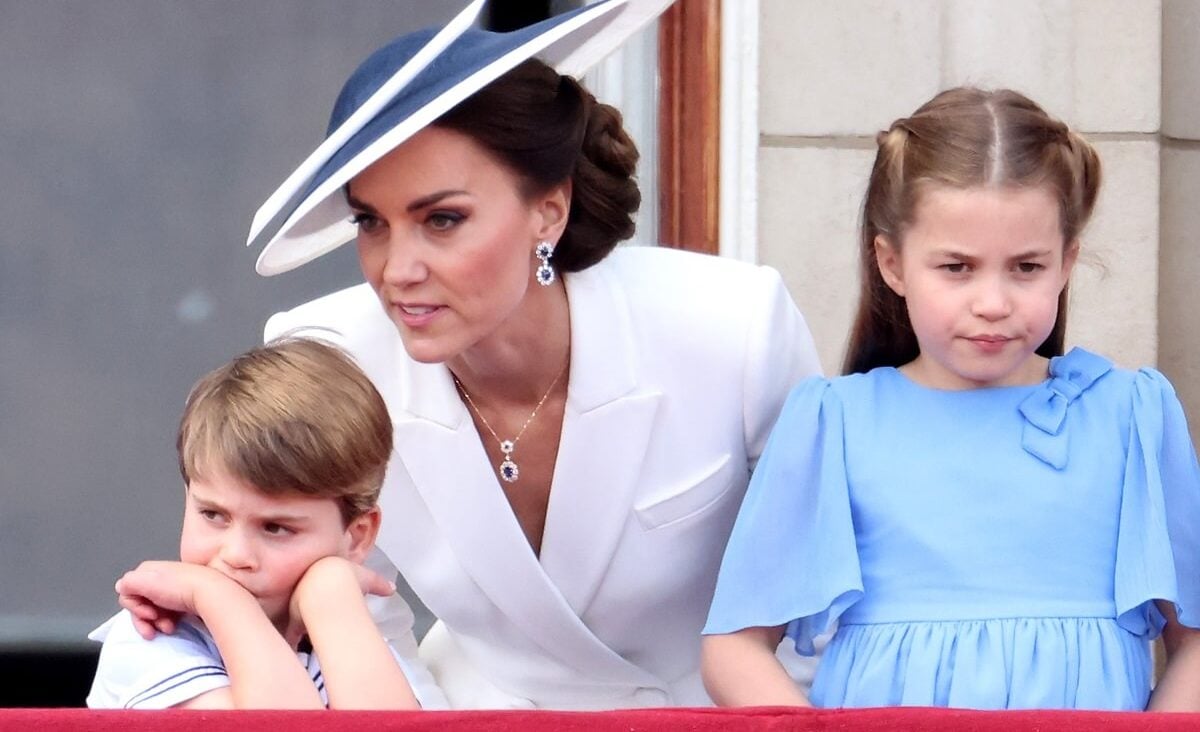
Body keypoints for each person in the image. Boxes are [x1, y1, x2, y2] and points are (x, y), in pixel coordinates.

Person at [245, 0, 822, 709]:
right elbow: (358, 612)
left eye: (442, 220)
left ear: (549, 209)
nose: (397, 269)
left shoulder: (732, 328)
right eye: (371, 222)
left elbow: (817, 601)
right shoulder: (330, 360)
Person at [700, 87, 1200, 711]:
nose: (992, 301)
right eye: (957, 267)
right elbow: (735, 646)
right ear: (892, 263)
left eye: (1026, 267)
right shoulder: (835, 423)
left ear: (1067, 261)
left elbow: (1195, 642)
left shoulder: (1132, 415)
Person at [87, 337, 425, 710]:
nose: (236, 555)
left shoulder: (353, 642)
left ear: (357, 537)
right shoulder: (150, 639)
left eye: (276, 528)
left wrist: (330, 597)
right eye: (213, 515)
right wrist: (220, 598)